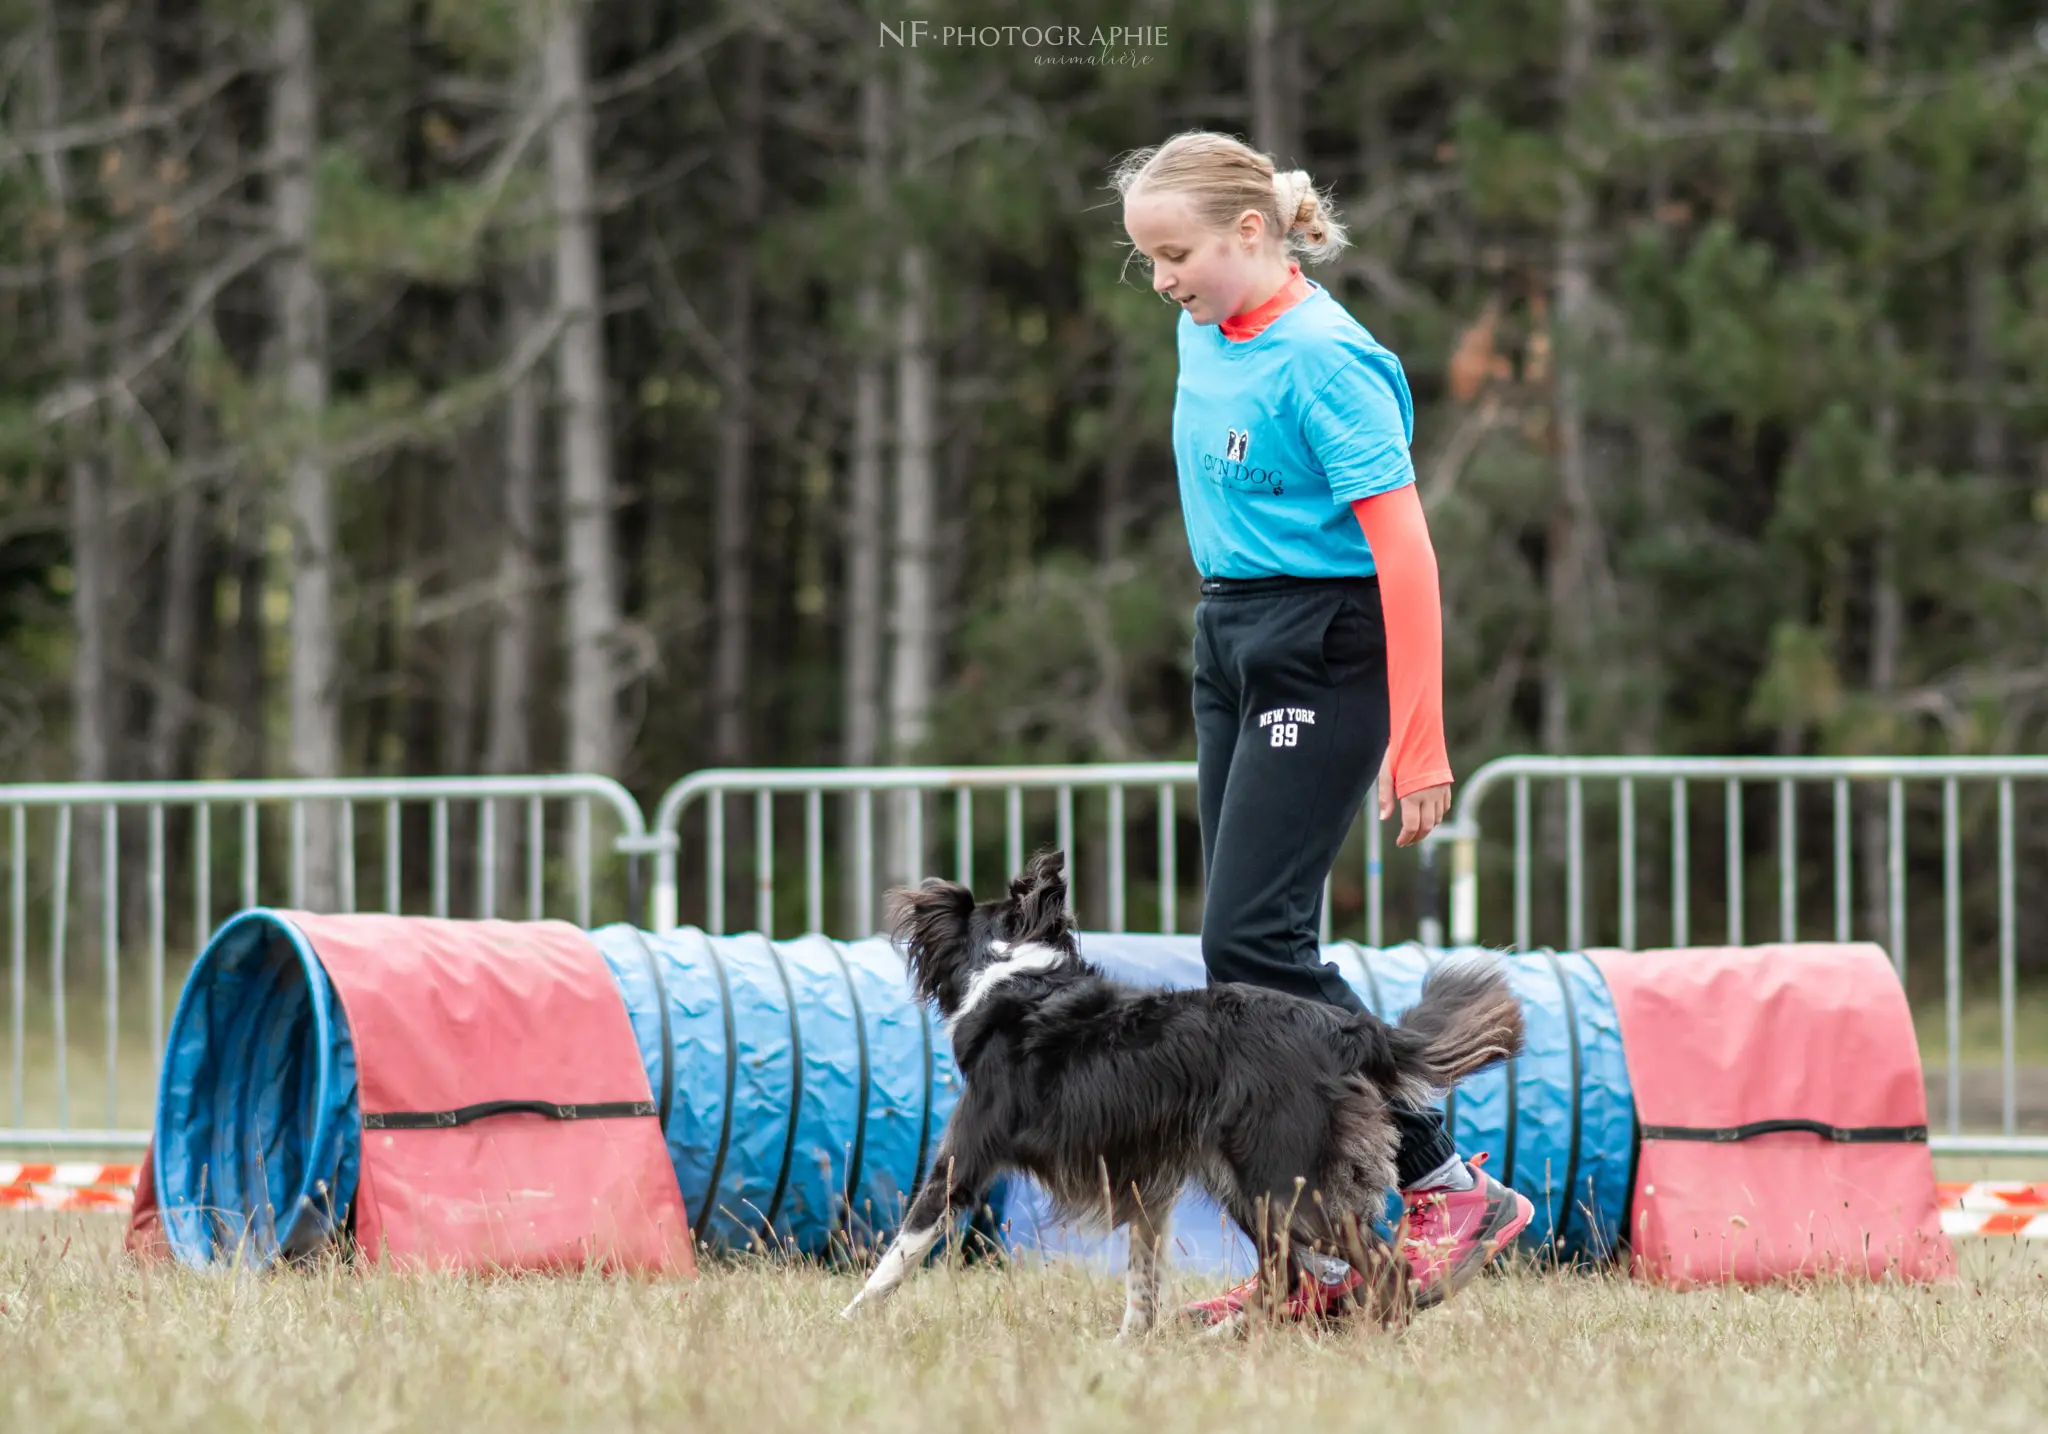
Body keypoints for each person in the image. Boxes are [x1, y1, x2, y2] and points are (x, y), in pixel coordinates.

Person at [1115, 130, 1534, 1324]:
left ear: (1250, 234)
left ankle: (1443, 1184)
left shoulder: (1328, 360)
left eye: (1176, 253)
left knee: (1253, 943)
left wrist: (1420, 737)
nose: (1161, 280)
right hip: (1231, 634)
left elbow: (1403, 552)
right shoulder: (1206, 328)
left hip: (1328, 643)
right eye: (1146, 258)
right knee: (1244, 955)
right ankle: (1318, 1249)